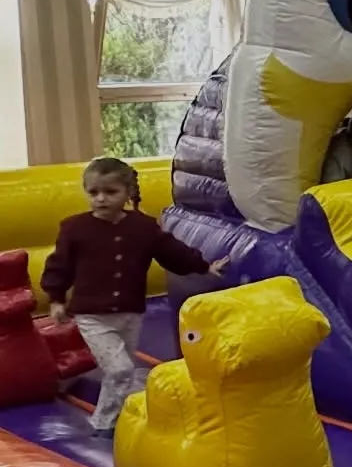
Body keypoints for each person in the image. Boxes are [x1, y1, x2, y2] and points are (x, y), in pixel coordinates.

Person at [41, 157, 226, 437]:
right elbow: (59, 265)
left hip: (130, 312)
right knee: (120, 369)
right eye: (93, 192)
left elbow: (172, 252)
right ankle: (103, 424)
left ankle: (117, 418)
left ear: (127, 192)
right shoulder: (75, 228)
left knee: (121, 374)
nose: (101, 199)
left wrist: (203, 266)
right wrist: (56, 298)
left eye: (110, 192)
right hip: (92, 315)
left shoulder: (143, 227)